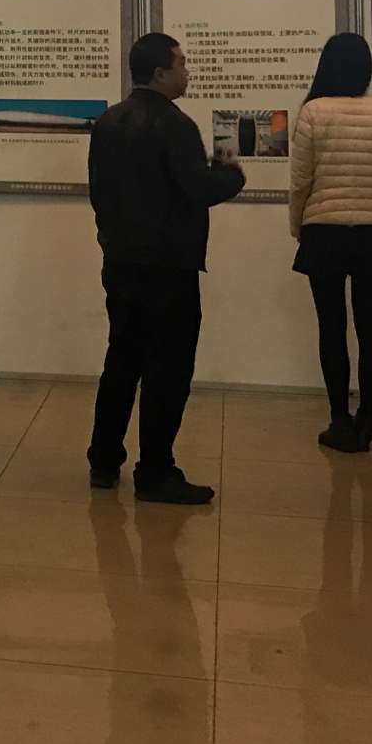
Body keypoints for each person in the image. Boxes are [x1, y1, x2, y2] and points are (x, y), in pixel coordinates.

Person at [86, 32, 245, 504]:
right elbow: (198, 190)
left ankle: (103, 460)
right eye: (181, 64)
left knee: (121, 360)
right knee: (168, 370)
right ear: (159, 73)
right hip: (169, 268)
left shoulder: (109, 122)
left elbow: (99, 193)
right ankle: (155, 470)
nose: (186, 72)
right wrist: (230, 174)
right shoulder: (175, 126)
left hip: (121, 261)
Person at [288, 33, 372, 454]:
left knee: (332, 327)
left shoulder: (313, 112)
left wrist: (298, 226)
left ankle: (339, 420)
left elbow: (301, 182)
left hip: (324, 230)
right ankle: (367, 419)